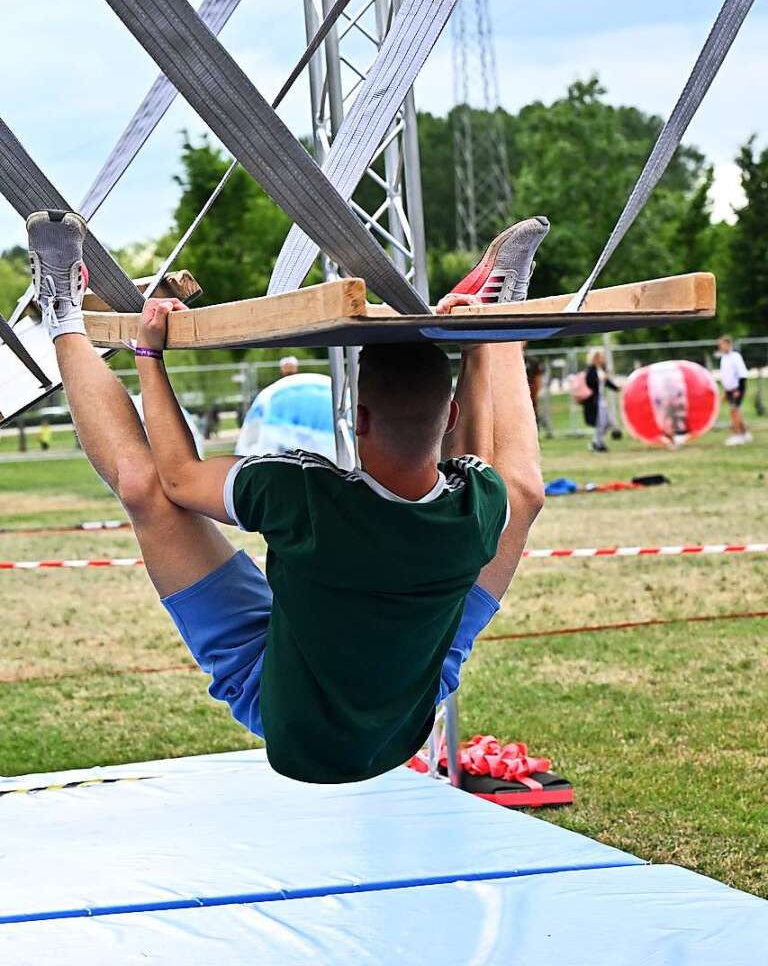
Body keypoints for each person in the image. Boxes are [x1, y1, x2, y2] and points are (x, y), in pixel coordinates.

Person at [25, 209, 546, 785]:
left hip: (288, 702)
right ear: (446, 414)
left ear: (357, 417)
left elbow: (177, 479)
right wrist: (478, 346)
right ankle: (500, 320)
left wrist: (149, 356)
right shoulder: (476, 502)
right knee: (519, 492)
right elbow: (476, 457)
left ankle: (60, 312)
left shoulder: (302, 493)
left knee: (145, 490)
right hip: (404, 702)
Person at [583, 348, 619, 452]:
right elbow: (589, 383)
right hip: (594, 401)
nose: (602, 359)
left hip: (601, 400)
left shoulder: (601, 369)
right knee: (600, 423)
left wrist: (616, 388)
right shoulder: (591, 369)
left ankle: (596, 442)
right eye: (600, 357)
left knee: (606, 423)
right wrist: (599, 379)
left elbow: (606, 382)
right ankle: (598, 444)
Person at [717, 336, 751, 446]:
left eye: (721, 344)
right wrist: (726, 391)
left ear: (728, 344)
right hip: (729, 390)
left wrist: (738, 390)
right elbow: (727, 376)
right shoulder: (723, 358)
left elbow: (742, 374)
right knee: (736, 412)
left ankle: (737, 435)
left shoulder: (735, 357)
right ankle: (745, 432)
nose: (720, 347)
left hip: (737, 389)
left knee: (734, 411)